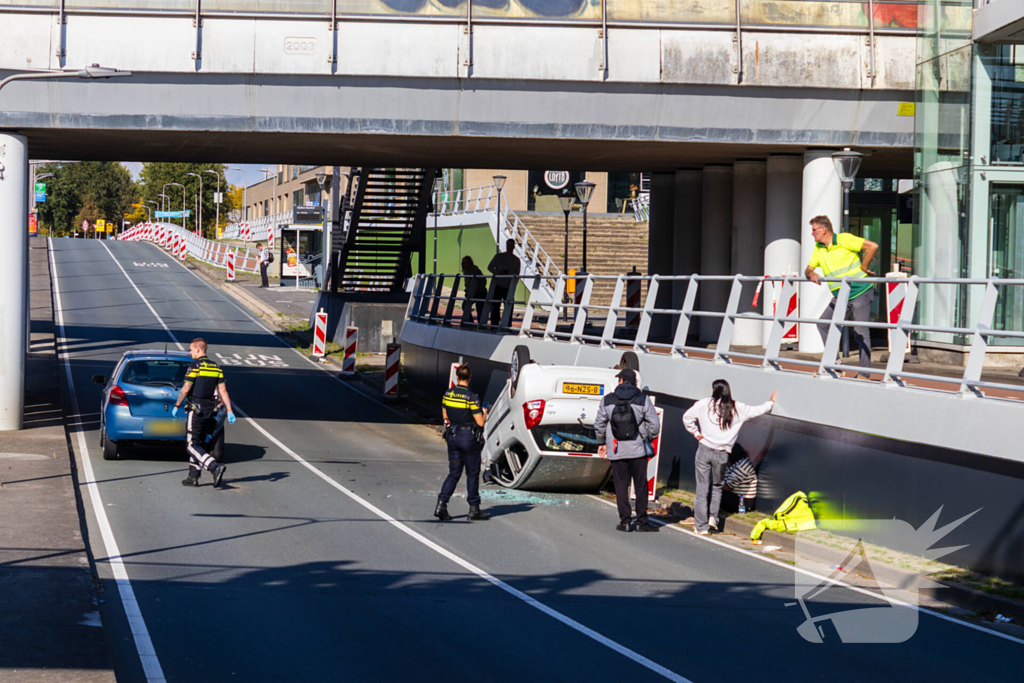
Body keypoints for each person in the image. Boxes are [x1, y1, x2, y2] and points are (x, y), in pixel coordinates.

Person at [683, 380, 776, 535]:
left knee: (702, 488)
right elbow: (756, 410)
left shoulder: (705, 403)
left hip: (704, 449)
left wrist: (696, 433)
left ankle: (701, 526)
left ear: (714, 390)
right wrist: (770, 402)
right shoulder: (736, 407)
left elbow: (687, 417)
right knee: (717, 486)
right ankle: (713, 518)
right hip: (722, 453)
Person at [804, 215, 879, 378]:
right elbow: (808, 268)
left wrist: (864, 266)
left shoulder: (843, 239)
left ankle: (864, 373)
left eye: (814, 230)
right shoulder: (819, 247)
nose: (812, 233)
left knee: (860, 332)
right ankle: (835, 364)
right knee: (823, 323)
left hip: (859, 291)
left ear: (824, 230)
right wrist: (811, 273)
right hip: (840, 296)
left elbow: (872, 246)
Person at [593, 368, 661, 533]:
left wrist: (602, 442)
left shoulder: (607, 399)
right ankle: (641, 522)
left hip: (616, 450)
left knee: (621, 486)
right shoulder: (643, 399)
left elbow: (599, 424)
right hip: (638, 450)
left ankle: (625, 522)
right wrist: (648, 437)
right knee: (641, 485)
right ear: (635, 382)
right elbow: (654, 424)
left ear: (621, 381)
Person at [172, 338, 236, 488]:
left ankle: (214, 467)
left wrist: (177, 405)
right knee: (198, 443)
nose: (190, 353)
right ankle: (193, 477)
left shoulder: (195, 366)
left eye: (191, 350)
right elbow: (223, 391)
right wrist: (230, 411)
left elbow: (186, 388)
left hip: (196, 409)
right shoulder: (216, 367)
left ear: (198, 349)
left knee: (191, 445)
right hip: (209, 410)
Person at [435, 363, 490, 522]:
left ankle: (441, 504)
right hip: (468, 438)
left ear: (457, 377)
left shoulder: (448, 394)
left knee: (453, 473)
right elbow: (480, 422)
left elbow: (445, 417)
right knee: (472, 474)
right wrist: (484, 413)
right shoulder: (471, 397)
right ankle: (474, 509)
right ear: (470, 377)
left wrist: (452, 424)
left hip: (452, 436)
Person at [486, 239, 521, 327]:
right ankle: (494, 325)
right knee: (495, 306)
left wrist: (513, 286)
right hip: (498, 285)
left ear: (514, 247)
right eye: (508, 245)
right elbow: (490, 267)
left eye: (511, 245)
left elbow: (517, 275)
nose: (509, 247)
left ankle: (507, 326)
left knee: (509, 307)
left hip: (509, 287)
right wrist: (498, 272)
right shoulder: (499, 257)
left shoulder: (516, 260)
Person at [461, 255, 487, 324]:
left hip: (480, 292)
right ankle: (470, 322)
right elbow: (468, 284)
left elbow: (483, 281)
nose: (465, 264)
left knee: (480, 308)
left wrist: (478, 289)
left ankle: (480, 324)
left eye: (467, 263)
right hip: (471, 293)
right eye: (464, 263)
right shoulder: (466, 272)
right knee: (465, 306)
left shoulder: (475, 270)